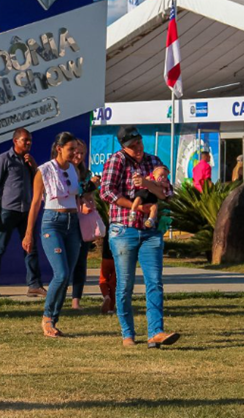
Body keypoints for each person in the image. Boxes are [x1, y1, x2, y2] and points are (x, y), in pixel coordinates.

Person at [100, 125, 180, 349]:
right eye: (131, 146)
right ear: (123, 147)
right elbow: (106, 191)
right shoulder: (116, 161)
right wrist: (136, 208)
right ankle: (128, 334)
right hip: (124, 229)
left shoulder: (154, 162)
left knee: (154, 281)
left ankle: (156, 332)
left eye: (139, 143)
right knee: (124, 285)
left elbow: (168, 194)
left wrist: (147, 185)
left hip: (150, 232)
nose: (137, 148)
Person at [23, 132, 82, 338]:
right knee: (62, 273)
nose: (75, 153)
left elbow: (78, 196)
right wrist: (29, 233)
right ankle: (47, 317)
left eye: (76, 149)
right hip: (52, 223)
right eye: (71, 149)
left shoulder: (74, 169)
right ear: (60, 148)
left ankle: (53, 321)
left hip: (73, 224)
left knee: (67, 277)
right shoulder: (44, 170)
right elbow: (36, 203)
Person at [0, 128, 45, 298]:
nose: (28, 143)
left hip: (26, 211)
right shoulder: (4, 159)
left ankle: (34, 285)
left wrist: (33, 165)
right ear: (15, 141)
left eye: (30, 140)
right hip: (7, 211)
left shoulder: (28, 161)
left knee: (30, 247)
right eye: (25, 140)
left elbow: (38, 181)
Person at [70, 138, 101, 310]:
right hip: (65, 219)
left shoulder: (86, 173)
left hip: (82, 220)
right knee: (67, 261)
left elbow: (87, 197)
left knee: (81, 260)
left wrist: (91, 191)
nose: (79, 156)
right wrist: (88, 188)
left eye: (82, 153)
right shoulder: (63, 171)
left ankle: (76, 300)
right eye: (76, 152)